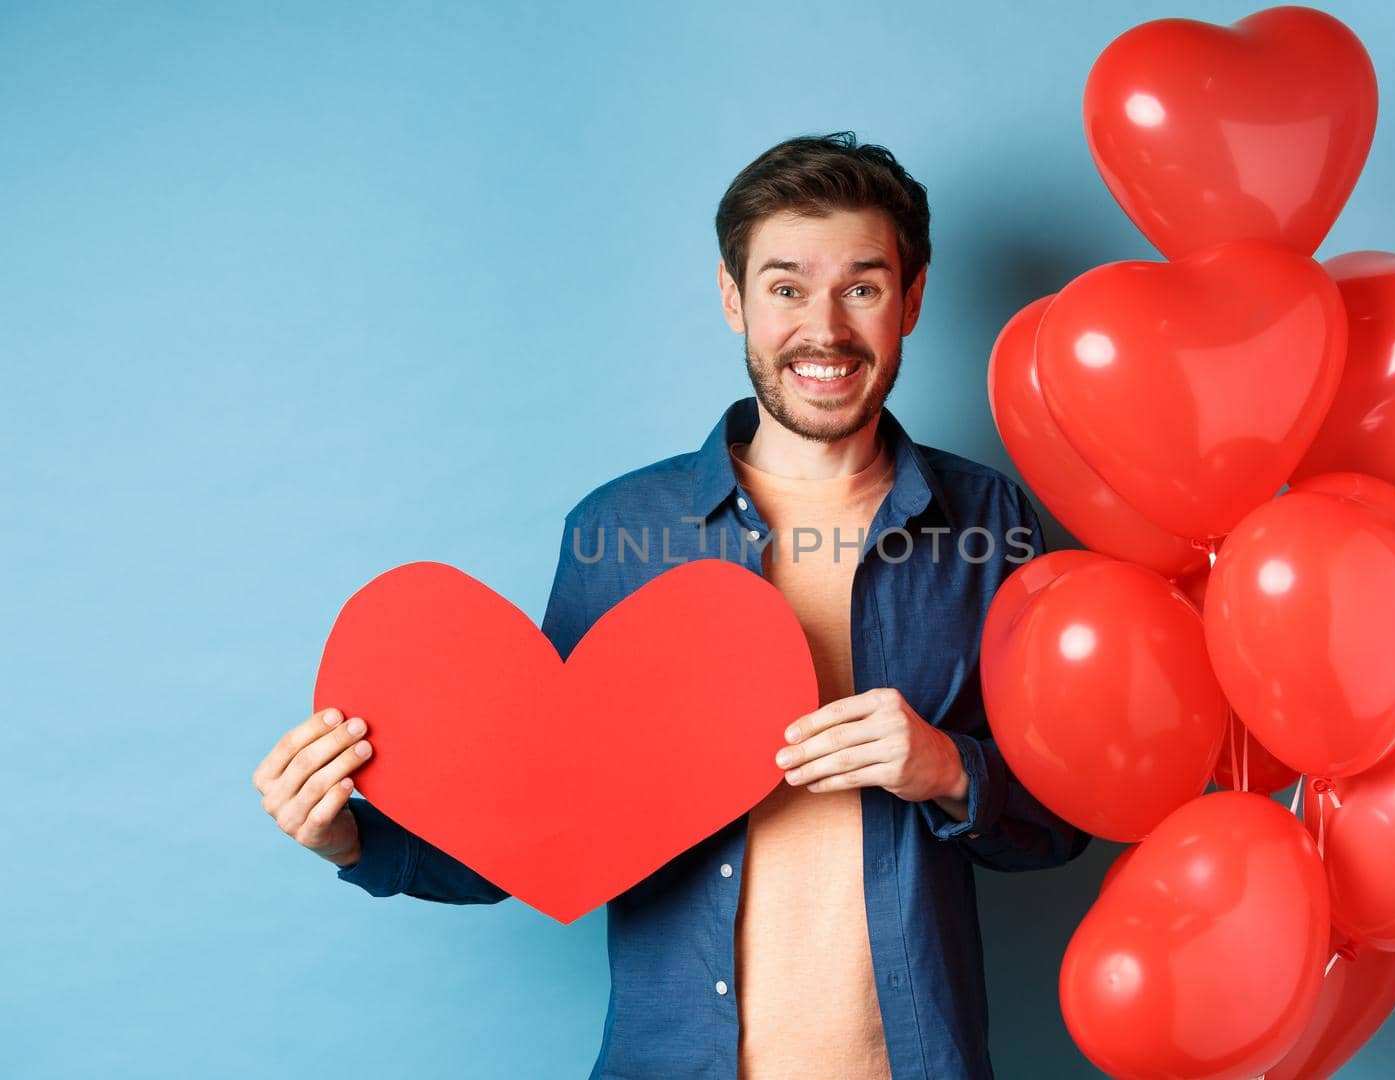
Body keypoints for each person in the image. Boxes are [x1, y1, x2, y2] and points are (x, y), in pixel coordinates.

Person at [252, 131, 1091, 1079]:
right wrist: (350, 838)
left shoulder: (989, 523)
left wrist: (947, 768)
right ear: (733, 298)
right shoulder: (618, 531)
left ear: (913, 298)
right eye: (785, 287)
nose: (825, 327)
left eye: (861, 285)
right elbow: (531, 826)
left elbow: (1063, 821)